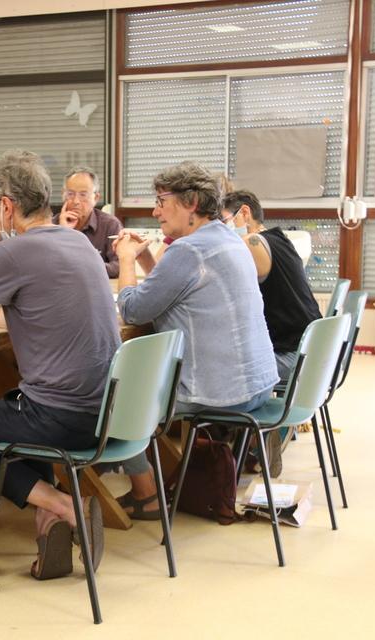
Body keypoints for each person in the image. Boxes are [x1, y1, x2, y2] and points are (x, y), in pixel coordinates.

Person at [0, 150, 119, 580]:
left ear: (7, 207)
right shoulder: (80, 243)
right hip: (106, 409)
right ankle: (47, 524)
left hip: (59, 415)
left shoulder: (8, 254)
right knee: (7, 412)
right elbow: (33, 311)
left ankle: (63, 506)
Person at [110, 162, 279, 517]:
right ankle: (163, 475)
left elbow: (134, 310)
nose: (155, 211)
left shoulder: (188, 251)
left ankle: (146, 493)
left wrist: (125, 260)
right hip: (259, 385)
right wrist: (145, 256)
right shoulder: (230, 240)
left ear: (191, 202)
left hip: (222, 393)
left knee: (111, 398)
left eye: (161, 201)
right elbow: (176, 289)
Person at [221, 190, 321, 381]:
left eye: (224, 222)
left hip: (294, 356)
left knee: (217, 372)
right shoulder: (279, 239)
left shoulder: (252, 242)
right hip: (313, 349)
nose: (222, 230)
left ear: (244, 213)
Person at [54, 167, 123, 277]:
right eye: (70, 194)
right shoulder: (52, 225)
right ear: (63, 194)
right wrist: (63, 233)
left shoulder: (110, 225)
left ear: (95, 198)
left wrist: (86, 267)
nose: (76, 201)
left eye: (83, 195)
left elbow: (119, 266)